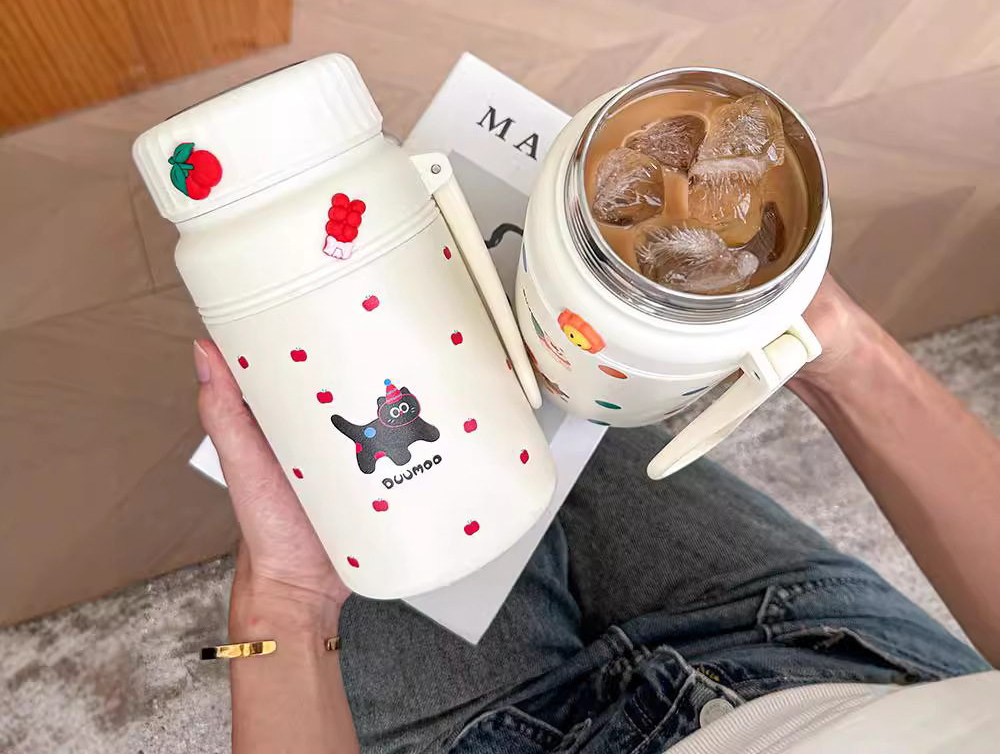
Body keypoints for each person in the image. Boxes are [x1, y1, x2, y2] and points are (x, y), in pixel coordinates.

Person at [193, 278, 1000, 753]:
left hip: (488, 737)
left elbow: (295, 590)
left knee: (357, 386)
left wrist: (285, 604)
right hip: (833, 652)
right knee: (517, 377)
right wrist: (842, 345)